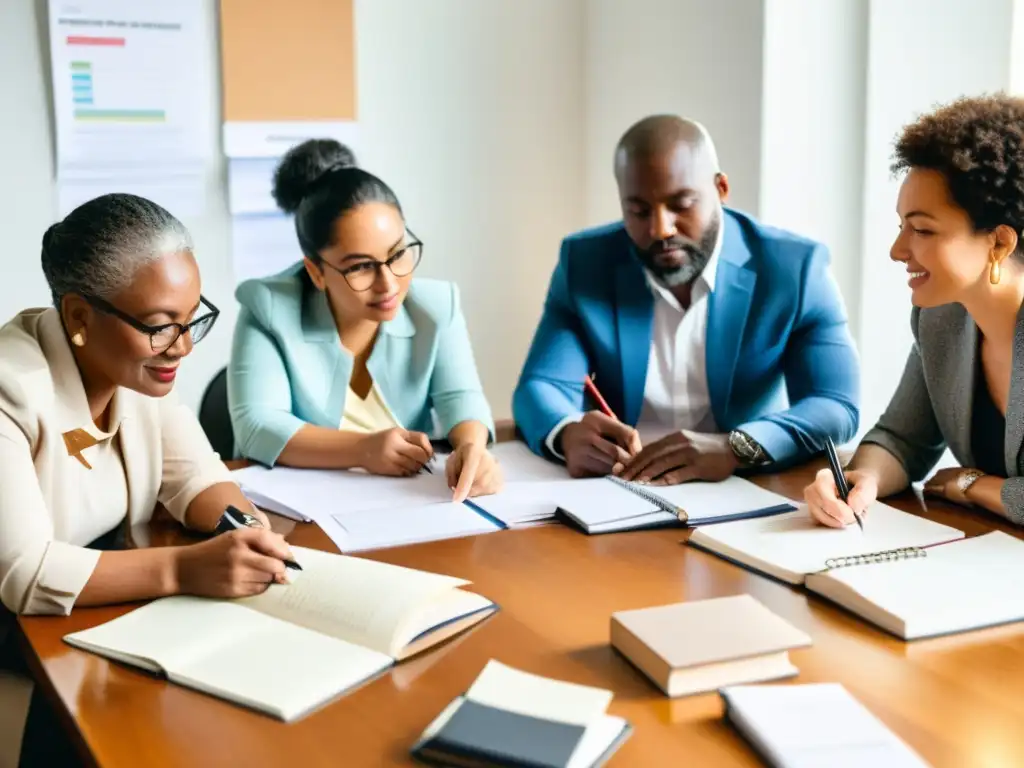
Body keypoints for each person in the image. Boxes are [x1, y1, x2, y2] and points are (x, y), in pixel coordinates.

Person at [0, 194, 297, 766]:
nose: (183, 347)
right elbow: (26, 575)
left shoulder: (135, 363)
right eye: (163, 327)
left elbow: (196, 479)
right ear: (80, 317)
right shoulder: (12, 389)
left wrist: (244, 526)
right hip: (23, 642)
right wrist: (186, 568)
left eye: (193, 320)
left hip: (101, 614)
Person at [513, 115, 860, 483]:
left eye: (681, 204)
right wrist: (567, 433)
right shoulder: (586, 262)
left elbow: (836, 404)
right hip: (621, 488)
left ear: (721, 190)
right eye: (639, 211)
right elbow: (540, 386)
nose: (660, 228)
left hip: (745, 487)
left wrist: (736, 447)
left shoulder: (793, 269)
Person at [228, 140, 501, 501]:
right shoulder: (269, 307)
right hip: (294, 515)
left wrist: (472, 447)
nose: (388, 284)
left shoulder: (435, 306)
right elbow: (257, 425)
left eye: (398, 254)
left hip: (402, 507)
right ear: (316, 271)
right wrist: (362, 449)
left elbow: (461, 397)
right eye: (360, 266)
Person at [805, 94, 1024, 528]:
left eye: (923, 229)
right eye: (901, 226)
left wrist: (973, 485)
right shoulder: (941, 319)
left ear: (999, 242)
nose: (897, 250)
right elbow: (902, 439)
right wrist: (861, 478)